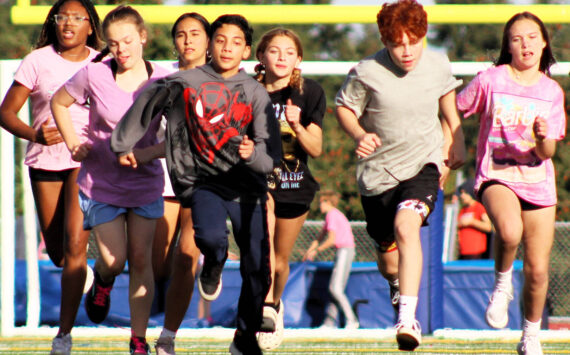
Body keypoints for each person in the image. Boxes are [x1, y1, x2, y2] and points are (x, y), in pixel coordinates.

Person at [109, 14, 281, 355]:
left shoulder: (255, 92)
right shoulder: (183, 81)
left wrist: (252, 154)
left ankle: (244, 339)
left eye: (235, 42)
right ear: (210, 45)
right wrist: (123, 144)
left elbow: (269, 155)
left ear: (247, 50)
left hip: (248, 187)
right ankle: (214, 263)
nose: (227, 47)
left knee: (258, 268)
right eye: (220, 40)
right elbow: (146, 103)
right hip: (205, 182)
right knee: (209, 239)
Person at [335, 0, 465, 351]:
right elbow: (345, 109)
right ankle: (395, 283)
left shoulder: (438, 64)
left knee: (407, 227)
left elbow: (450, 112)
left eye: (414, 40)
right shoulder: (366, 71)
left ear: (424, 35)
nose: (407, 50)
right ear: (384, 39)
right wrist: (360, 135)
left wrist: (457, 142)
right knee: (388, 254)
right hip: (378, 176)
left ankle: (407, 319)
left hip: (423, 165)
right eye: (397, 43)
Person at [50, 5, 170, 354]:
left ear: (143, 37)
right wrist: (74, 142)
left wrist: (147, 154)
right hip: (100, 183)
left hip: (145, 181)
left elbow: (178, 137)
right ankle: (102, 279)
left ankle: (138, 340)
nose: (122, 50)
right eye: (114, 43)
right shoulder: (94, 74)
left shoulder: (163, 81)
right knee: (115, 260)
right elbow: (59, 103)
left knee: (142, 259)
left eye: (128, 41)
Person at [457, 12, 566, 355]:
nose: (525, 44)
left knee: (536, 271)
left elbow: (547, 151)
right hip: (497, 175)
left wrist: (542, 137)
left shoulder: (551, 91)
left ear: (544, 42)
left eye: (532, 37)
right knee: (508, 231)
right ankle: (502, 284)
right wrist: (450, 147)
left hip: (538, 180)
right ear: (508, 45)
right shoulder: (492, 79)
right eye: (517, 38)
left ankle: (530, 336)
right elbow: (454, 109)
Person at [0, 1, 102, 353]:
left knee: (76, 245)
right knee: (59, 253)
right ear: (54, 23)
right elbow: (6, 113)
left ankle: (63, 334)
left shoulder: (102, 62)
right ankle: (89, 277)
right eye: (62, 17)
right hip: (44, 160)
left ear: (90, 26)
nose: (68, 24)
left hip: (86, 160)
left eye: (77, 18)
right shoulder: (37, 61)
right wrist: (34, 135)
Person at [252, 27, 326, 351]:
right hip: (258, 182)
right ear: (261, 56)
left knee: (280, 262)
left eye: (289, 52)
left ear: (298, 59)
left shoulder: (309, 92)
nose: (281, 57)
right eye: (274, 50)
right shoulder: (246, 91)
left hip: (295, 184)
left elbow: (317, 148)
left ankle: (275, 304)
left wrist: (296, 125)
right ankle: (263, 308)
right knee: (263, 245)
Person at [152, 12, 210, 355]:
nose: (188, 40)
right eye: (181, 34)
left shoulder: (228, 78)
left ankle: (167, 337)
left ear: (208, 40)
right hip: (166, 178)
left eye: (195, 33)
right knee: (158, 265)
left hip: (206, 181)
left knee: (188, 255)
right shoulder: (160, 79)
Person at [302, 191, 358, 329]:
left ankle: (352, 320)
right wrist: (309, 251)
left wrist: (316, 251)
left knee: (336, 288)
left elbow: (331, 240)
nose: (320, 205)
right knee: (335, 288)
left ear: (328, 202)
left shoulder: (332, 214)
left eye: (322, 202)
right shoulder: (330, 216)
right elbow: (320, 237)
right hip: (342, 252)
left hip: (345, 251)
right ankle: (329, 323)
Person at [455, 179, 492, 260]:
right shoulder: (463, 210)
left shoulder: (478, 207)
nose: (462, 196)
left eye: (464, 193)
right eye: (461, 193)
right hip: (463, 251)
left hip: (476, 252)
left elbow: (488, 227)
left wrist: (472, 222)